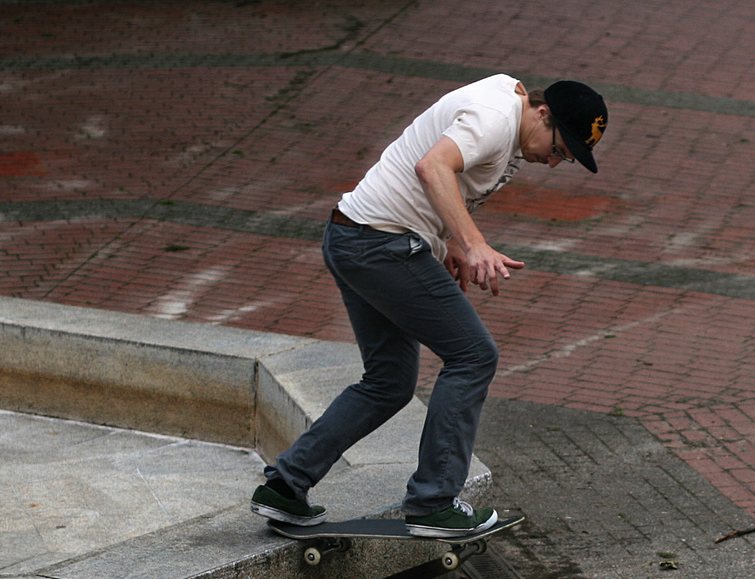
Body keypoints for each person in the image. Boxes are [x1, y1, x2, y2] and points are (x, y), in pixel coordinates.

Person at [250, 76, 609, 538]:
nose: (555, 162)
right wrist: (473, 244)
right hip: (382, 246)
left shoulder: (508, 118)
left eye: (568, 159)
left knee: (389, 382)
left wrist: (447, 242)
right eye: (559, 149)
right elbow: (433, 167)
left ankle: (286, 484)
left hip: (356, 236)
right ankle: (433, 501)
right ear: (543, 114)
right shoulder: (498, 118)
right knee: (474, 355)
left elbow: (443, 180)